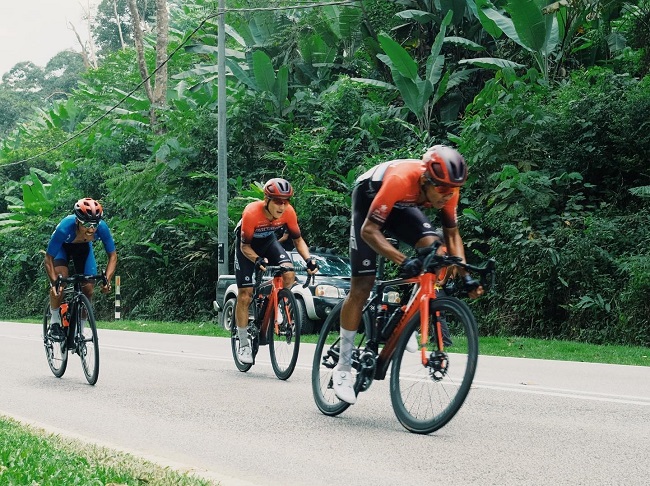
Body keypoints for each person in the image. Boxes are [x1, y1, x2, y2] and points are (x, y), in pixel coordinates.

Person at [333, 145, 484, 404]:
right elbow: (369, 231)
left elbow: (452, 235)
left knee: (436, 251)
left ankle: (407, 318)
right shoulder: (401, 180)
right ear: (426, 180)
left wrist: (465, 274)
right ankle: (343, 368)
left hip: (403, 205)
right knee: (362, 285)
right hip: (369, 200)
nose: (448, 196)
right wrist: (403, 260)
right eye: (443, 190)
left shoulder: (448, 189)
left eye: (453, 190)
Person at [233, 178, 318, 364]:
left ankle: (277, 303)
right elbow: (245, 246)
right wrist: (256, 259)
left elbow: (298, 240)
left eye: (286, 201)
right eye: (278, 201)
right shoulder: (251, 212)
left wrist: (309, 260)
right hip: (247, 247)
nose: (282, 206)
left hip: (268, 242)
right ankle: (244, 343)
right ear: (267, 200)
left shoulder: (289, 212)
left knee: (288, 272)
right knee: (245, 294)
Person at [44, 198, 117, 341]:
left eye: (95, 224)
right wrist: (54, 283)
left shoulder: (102, 228)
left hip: (83, 249)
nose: (91, 229)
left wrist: (107, 280)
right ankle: (54, 322)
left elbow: (113, 256)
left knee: (88, 289)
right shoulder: (64, 228)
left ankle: (80, 330)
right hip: (62, 249)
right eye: (87, 224)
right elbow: (48, 258)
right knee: (60, 281)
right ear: (77, 221)